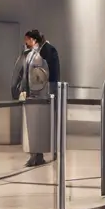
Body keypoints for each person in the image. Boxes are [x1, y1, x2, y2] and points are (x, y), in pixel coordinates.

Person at [14, 29, 61, 168]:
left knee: (41, 126)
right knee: (34, 126)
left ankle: (39, 154)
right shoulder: (32, 53)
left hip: (43, 95)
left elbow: (50, 75)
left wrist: (51, 93)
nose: (26, 43)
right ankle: (36, 154)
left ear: (33, 39)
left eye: (27, 40)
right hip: (35, 95)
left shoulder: (48, 51)